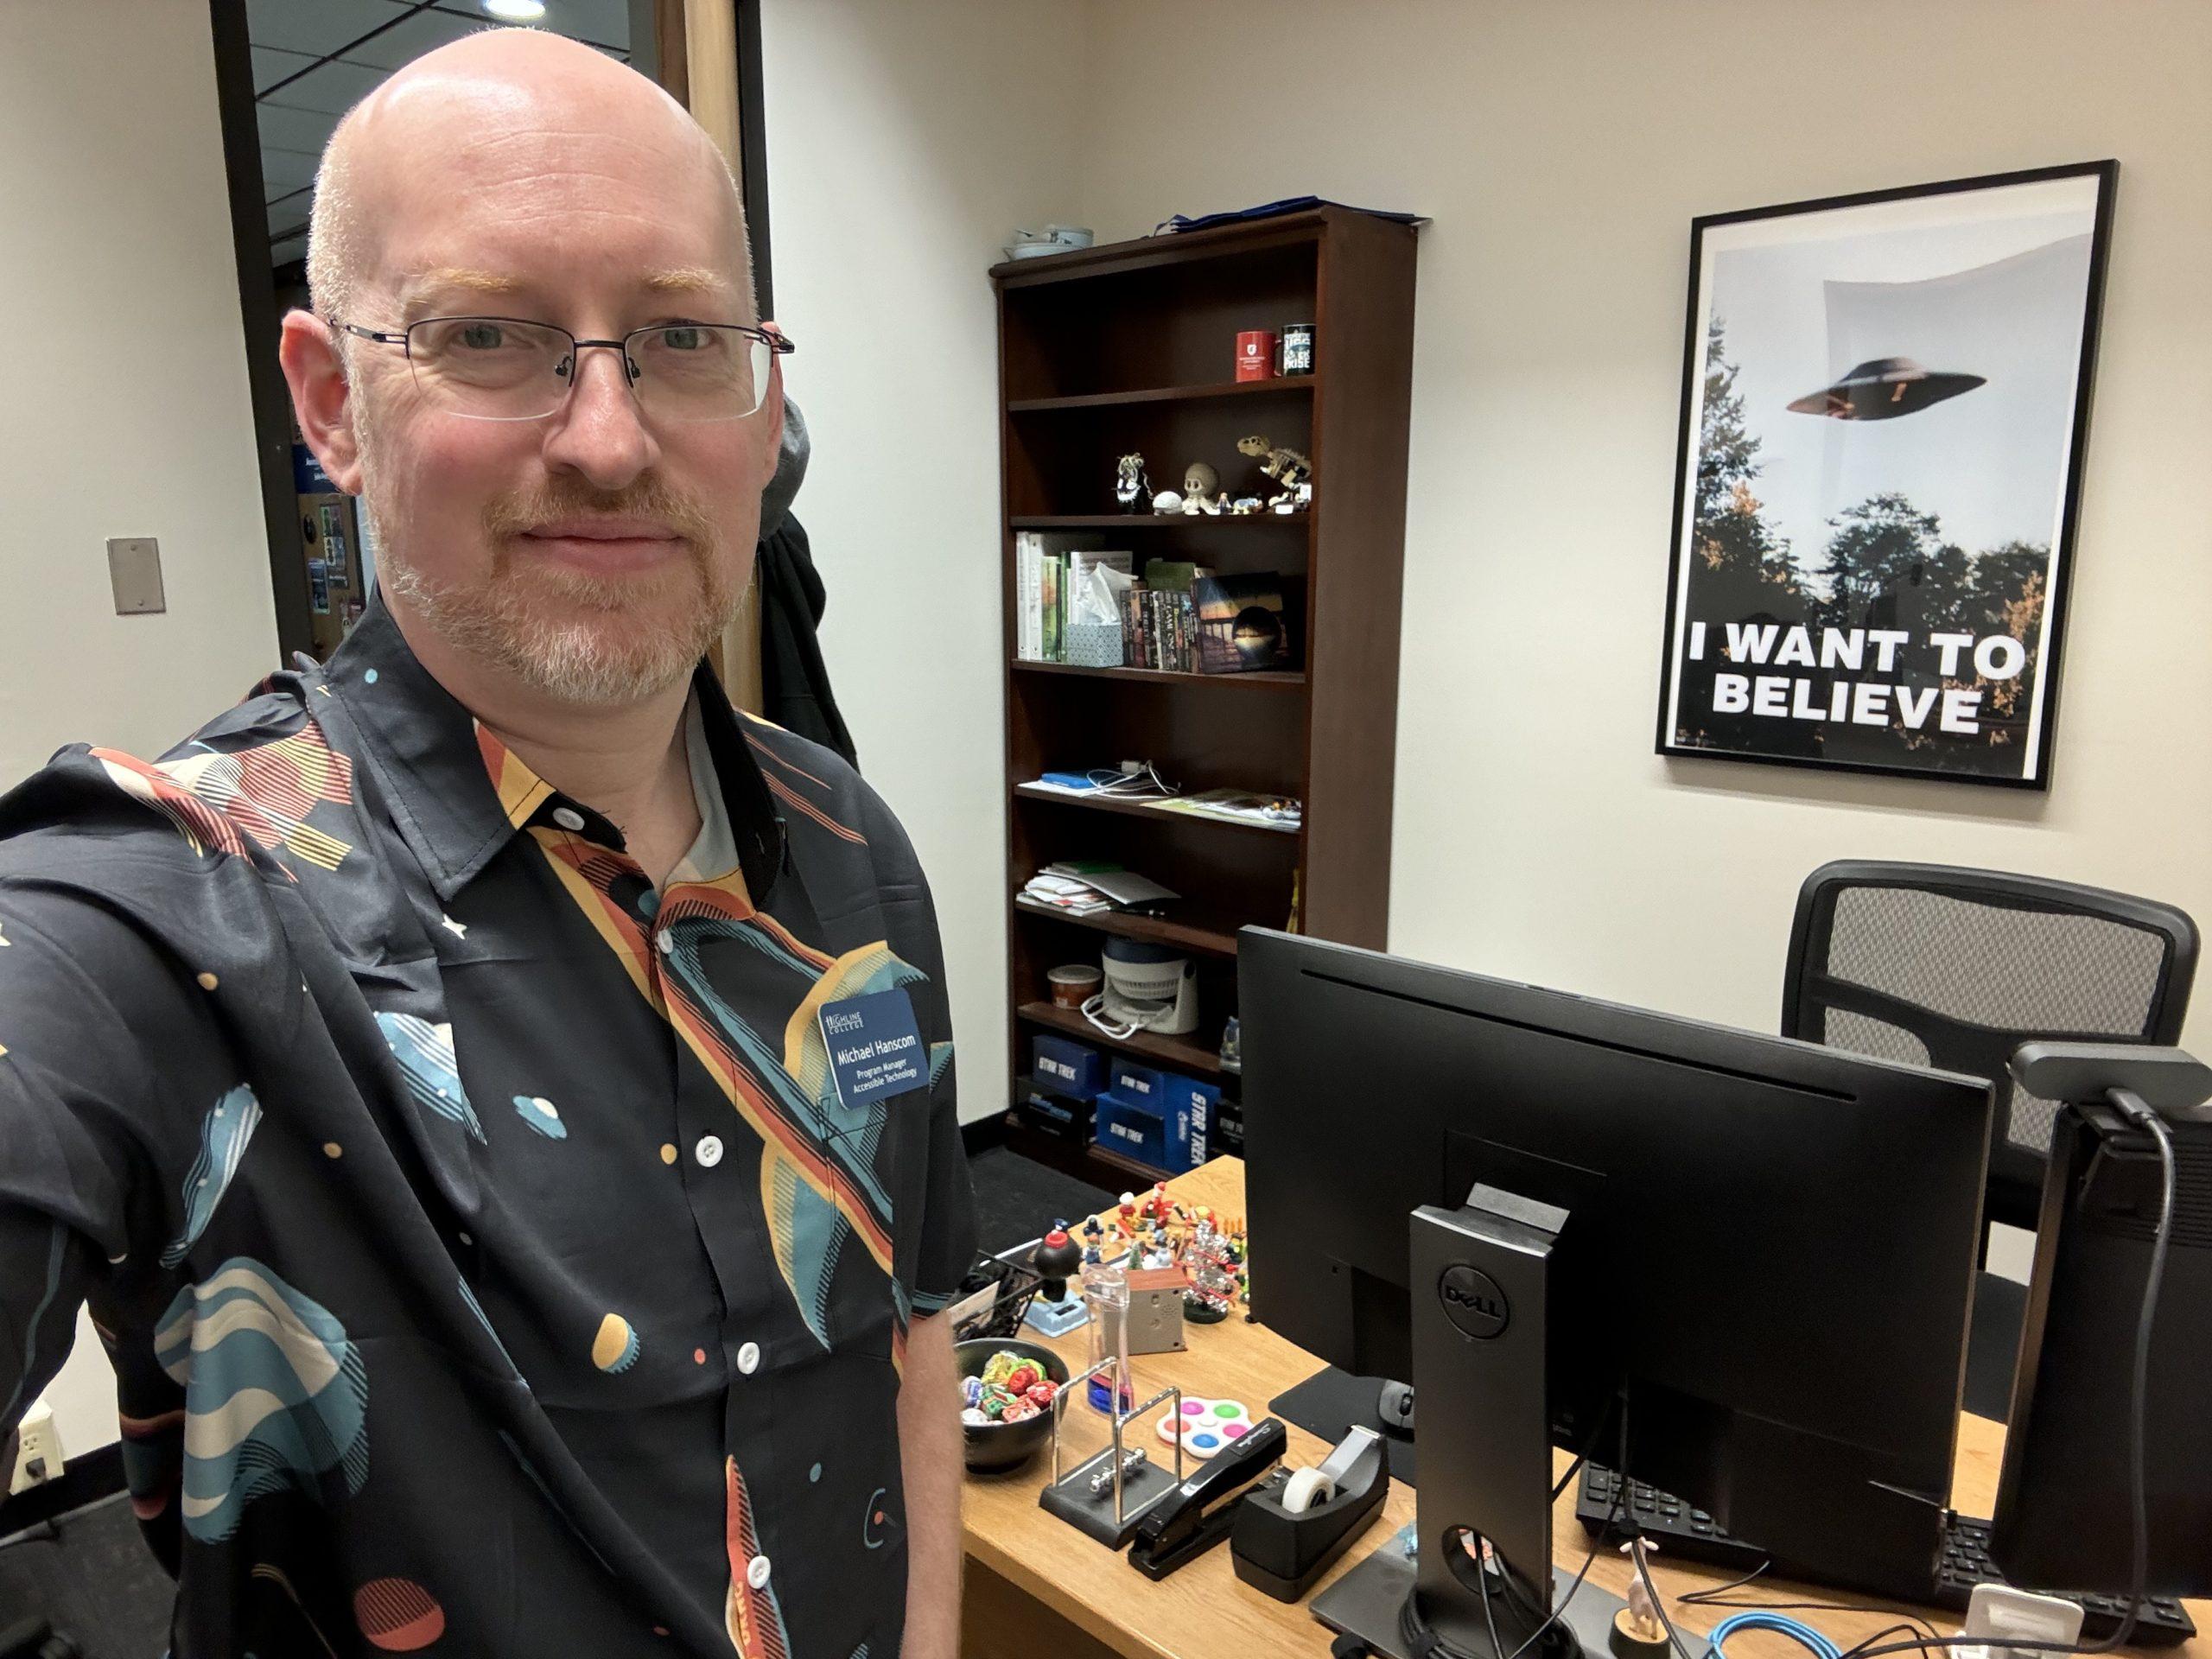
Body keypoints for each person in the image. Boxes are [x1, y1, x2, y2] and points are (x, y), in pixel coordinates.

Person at [0, 29, 974, 1658]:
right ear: (333, 404)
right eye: (492, 337)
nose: (608, 436)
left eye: (680, 338)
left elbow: (913, 1338)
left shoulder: (848, 847)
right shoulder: (163, 919)